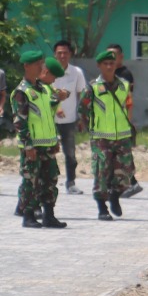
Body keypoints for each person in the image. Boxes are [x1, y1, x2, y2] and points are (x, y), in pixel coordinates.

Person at [12, 49, 68, 229]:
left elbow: (48, 115)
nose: (40, 67)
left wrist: (55, 140)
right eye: (37, 64)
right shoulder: (22, 92)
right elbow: (20, 121)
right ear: (26, 66)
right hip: (33, 146)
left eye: (40, 64)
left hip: (48, 144)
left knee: (50, 180)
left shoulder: (43, 89)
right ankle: (28, 215)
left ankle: (49, 215)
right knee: (31, 181)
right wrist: (28, 146)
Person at [82, 49, 136, 221]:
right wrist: (91, 128)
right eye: (105, 64)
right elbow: (82, 109)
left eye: (112, 63)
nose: (109, 66)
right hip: (101, 138)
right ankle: (102, 207)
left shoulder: (124, 85)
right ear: (99, 66)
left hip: (122, 136)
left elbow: (128, 107)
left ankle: (115, 196)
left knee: (126, 173)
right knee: (102, 173)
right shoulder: (93, 87)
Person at [51, 40, 88, 195]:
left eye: (65, 52)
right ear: (55, 54)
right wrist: (57, 108)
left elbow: (82, 94)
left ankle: (71, 182)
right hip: (50, 121)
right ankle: (49, 181)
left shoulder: (76, 72)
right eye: (59, 53)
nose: (62, 56)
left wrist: (82, 116)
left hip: (70, 120)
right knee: (48, 153)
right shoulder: (48, 71)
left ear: (70, 54)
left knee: (70, 153)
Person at [107, 43, 143, 197]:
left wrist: (127, 122)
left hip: (121, 122)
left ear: (121, 57)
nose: (111, 59)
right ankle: (122, 185)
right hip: (109, 121)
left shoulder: (124, 74)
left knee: (122, 154)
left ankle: (131, 184)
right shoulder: (108, 74)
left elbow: (128, 101)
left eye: (115, 55)